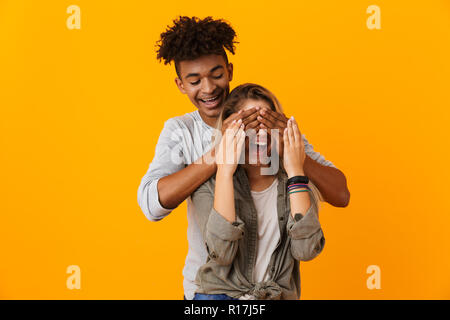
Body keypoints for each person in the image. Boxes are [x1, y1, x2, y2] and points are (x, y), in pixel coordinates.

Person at [137, 16, 350, 300]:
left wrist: (292, 155)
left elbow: (340, 195)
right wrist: (219, 155)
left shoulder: (266, 117)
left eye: (216, 74)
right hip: (212, 290)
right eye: (195, 80)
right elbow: (152, 205)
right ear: (181, 85)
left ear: (230, 70)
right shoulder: (180, 131)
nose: (209, 88)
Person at [192, 84, 324, 300]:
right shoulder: (209, 184)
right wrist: (225, 171)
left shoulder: (293, 182)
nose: (261, 135)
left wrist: (296, 170)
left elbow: (307, 250)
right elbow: (221, 253)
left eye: (267, 124)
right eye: (250, 125)